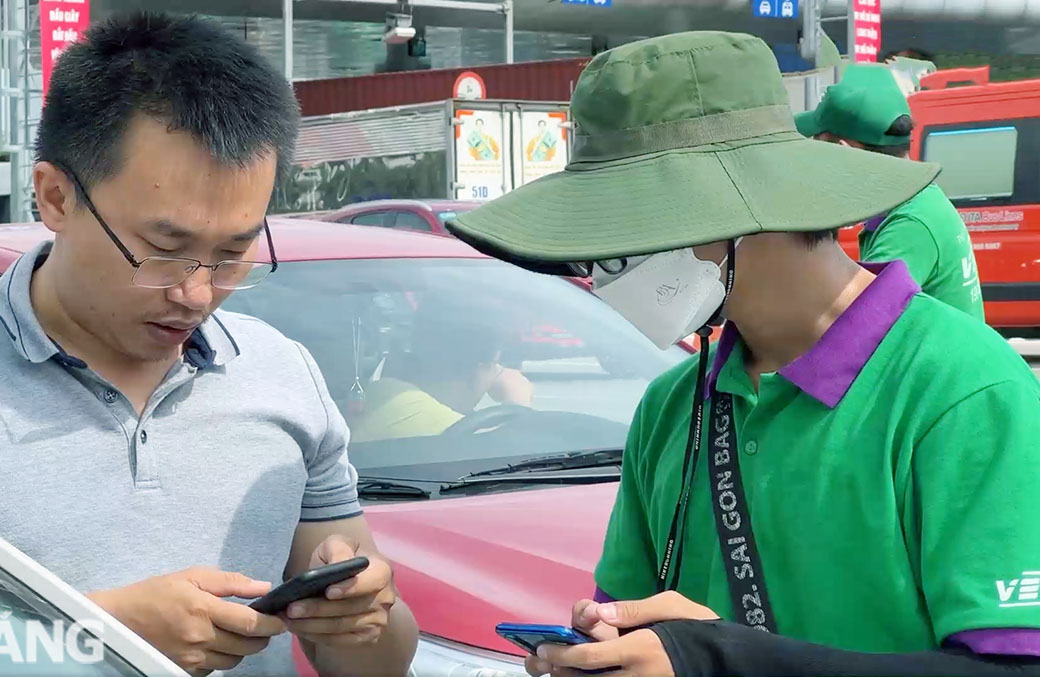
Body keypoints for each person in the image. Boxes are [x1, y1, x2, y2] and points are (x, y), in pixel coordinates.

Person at [0, 12, 417, 676]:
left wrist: (362, 616)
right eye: (161, 252)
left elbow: (375, 663)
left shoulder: (283, 375)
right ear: (55, 197)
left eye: (233, 255)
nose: (197, 295)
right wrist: (97, 635)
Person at [446, 31, 1040, 676]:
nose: (601, 274)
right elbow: (639, 620)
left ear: (728, 214)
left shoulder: (963, 393)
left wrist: (725, 662)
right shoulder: (673, 407)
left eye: (618, 240)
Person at [796, 64, 985, 320]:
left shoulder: (908, 226)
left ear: (843, 152)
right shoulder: (918, 201)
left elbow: (852, 326)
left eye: (818, 149)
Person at [349, 300, 532, 443]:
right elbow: (513, 456)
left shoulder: (384, 392)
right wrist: (517, 401)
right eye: (495, 364)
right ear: (479, 370)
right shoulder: (426, 420)